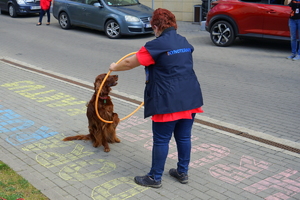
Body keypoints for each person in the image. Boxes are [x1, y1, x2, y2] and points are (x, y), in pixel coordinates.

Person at [109, 8, 204, 188]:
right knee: (184, 137)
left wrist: (114, 67)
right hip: (190, 98)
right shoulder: (183, 41)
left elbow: (130, 62)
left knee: (161, 140)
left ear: (155, 26)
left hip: (168, 101)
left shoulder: (155, 45)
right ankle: (182, 172)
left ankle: (154, 177)